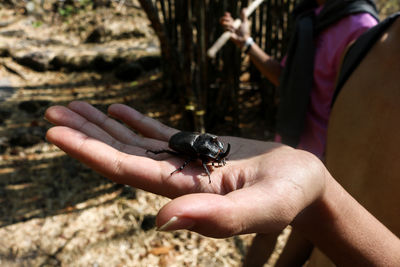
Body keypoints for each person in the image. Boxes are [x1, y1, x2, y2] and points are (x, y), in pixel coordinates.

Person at [44, 101, 400, 266]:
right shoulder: (200, 152)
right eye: (214, 157)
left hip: (190, 142)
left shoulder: (208, 150)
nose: (217, 160)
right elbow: (192, 154)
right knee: (169, 156)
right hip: (180, 143)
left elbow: (208, 154)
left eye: (216, 157)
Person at [220, 0, 379, 265]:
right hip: (288, 148)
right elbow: (286, 79)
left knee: (303, 241)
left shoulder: (362, 28)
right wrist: (247, 43)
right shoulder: (312, 17)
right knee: (265, 231)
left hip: (326, 165)